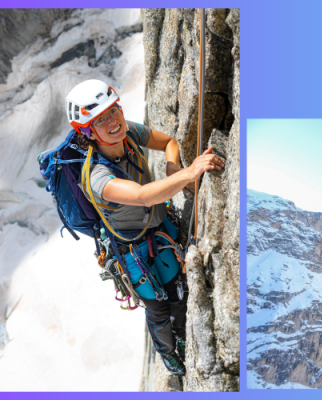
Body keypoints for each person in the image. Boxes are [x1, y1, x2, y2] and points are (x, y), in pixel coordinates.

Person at [65, 79, 224, 376]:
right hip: (132, 252)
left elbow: (168, 143)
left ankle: (182, 336)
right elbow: (142, 196)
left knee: (177, 292)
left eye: (115, 111)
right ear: (87, 131)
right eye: (101, 119)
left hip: (160, 231)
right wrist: (190, 172)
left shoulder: (128, 135)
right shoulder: (96, 177)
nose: (114, 121)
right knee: (157, 309)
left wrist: (173, 167)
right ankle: (167, 352)